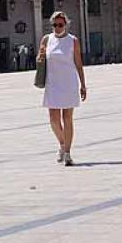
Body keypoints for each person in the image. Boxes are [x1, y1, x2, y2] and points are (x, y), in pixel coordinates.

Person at [36, 11, 88, 166]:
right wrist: (39, 57)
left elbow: (78, 63)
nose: (57, 28)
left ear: (66, 25)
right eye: (55, 25)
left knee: (67, 118)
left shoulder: (73, 41)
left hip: (68, 83)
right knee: (53, 119)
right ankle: (62, 143)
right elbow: (40, 59)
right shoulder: (46, 40)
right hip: (52, 84)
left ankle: (67, 153)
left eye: (60, 25)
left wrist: (83, 84)